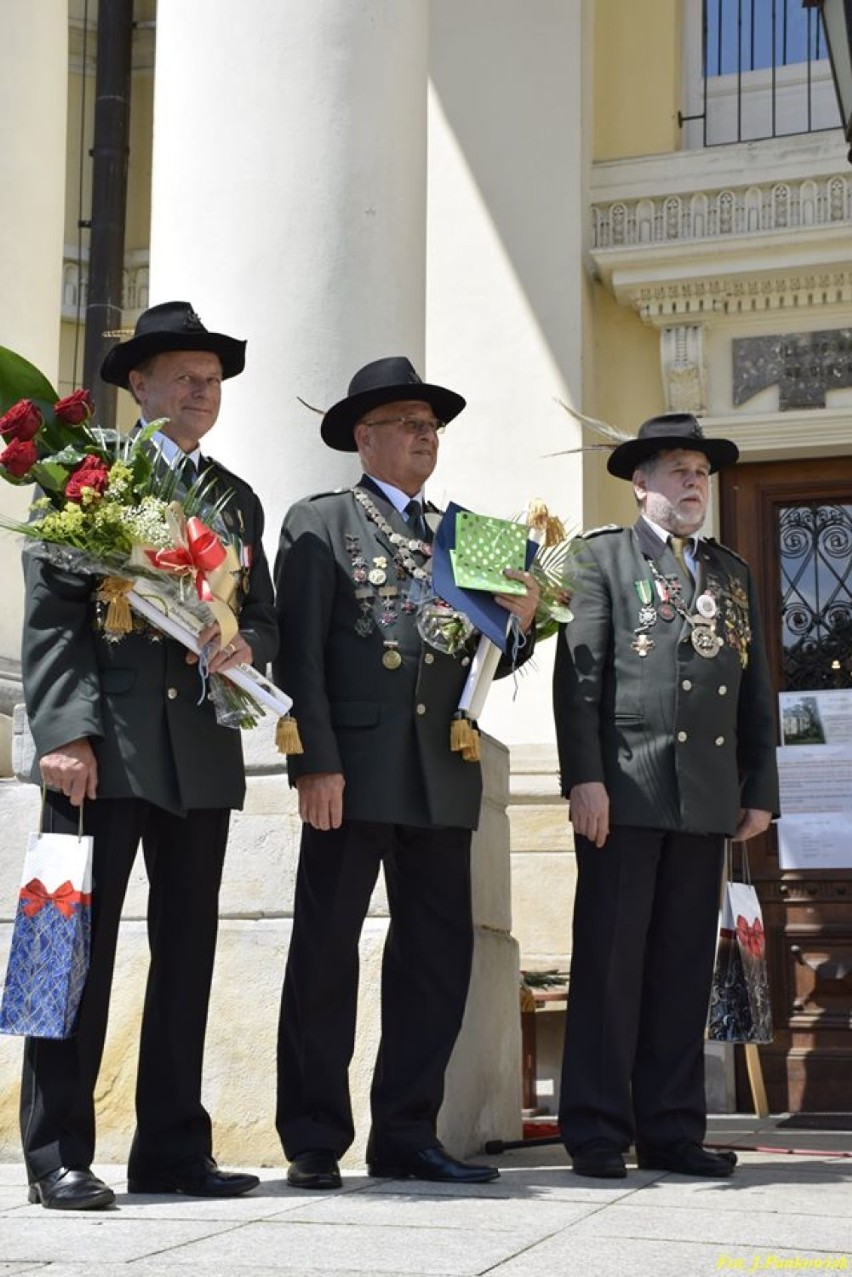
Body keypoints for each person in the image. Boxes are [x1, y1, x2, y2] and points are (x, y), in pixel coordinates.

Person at [20, 301, 277, 1209]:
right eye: (183, 375)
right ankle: (56, 1151)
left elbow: (266, 614)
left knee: (188, 952)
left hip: (200, 753)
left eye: (211, 378)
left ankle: (171, 1146)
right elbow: (52, 613)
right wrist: (62, 731)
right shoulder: (87, 474)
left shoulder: (235, 499)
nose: (202, 390)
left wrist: (250, 647)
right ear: (139, 385)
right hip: (104, 746)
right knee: (66, 943)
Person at [273, 356, 539, 1189]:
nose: (427, 438)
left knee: (435, 959)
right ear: (366, 437)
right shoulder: (319, 523)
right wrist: (314, 761)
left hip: (439, 768)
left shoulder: (465, 534)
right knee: (326, 953)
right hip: (350, 771)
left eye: (432, 427)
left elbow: (487, 654)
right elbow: (301, 656)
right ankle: (314, 1136)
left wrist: (527, 620)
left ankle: (407, 1132)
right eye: (410, 425)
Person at [553, 411, 779, 1180]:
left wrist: (759, 787)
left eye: (701, 471)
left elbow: (755, 691)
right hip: (624, 788)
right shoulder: (602, 561)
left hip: (704, 797)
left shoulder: (728, 572)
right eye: (679, 469)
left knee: (684, 969)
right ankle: (594, 1129)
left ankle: (673, 1129)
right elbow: (579, 679)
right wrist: (583, 777)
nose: (694, 482)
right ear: (641, 481)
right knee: (611, 965)